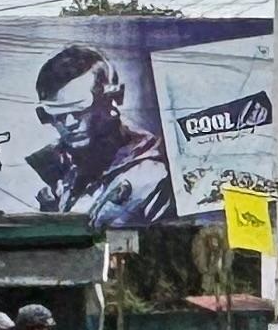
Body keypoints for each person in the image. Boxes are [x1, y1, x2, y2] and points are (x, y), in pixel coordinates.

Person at [25, 44, 177, 227]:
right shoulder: (59, 172)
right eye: (57, 114)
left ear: (112, 100)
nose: (69, 123)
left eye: (80, 111)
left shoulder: (153, 176)